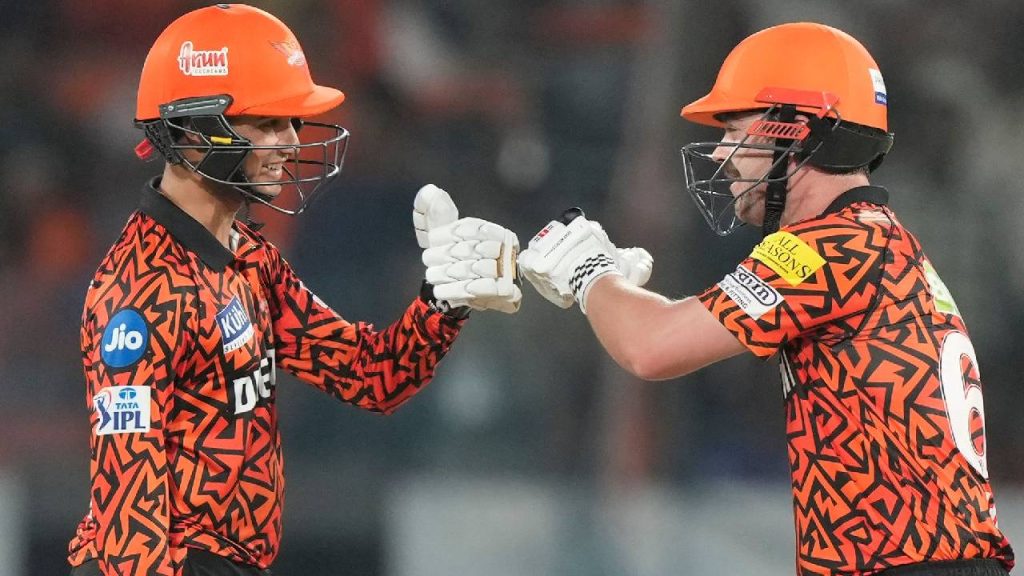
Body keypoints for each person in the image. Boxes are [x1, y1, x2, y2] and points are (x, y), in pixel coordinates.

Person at [518, 22, 1014, 576]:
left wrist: (589, 272)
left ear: (796, 132)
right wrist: (620, 292)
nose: (723, 153)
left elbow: (651, 347)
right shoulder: (872, 238)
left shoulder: (827, 247)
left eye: (736, 129)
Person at [66, 4, 521, 575]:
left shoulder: (249, 259)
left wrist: (440, 305)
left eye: (291, 123)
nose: (289, 143)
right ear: (194, 130)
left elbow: (370, 376)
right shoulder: (140, 291)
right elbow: (128, 525)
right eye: (267, 122)